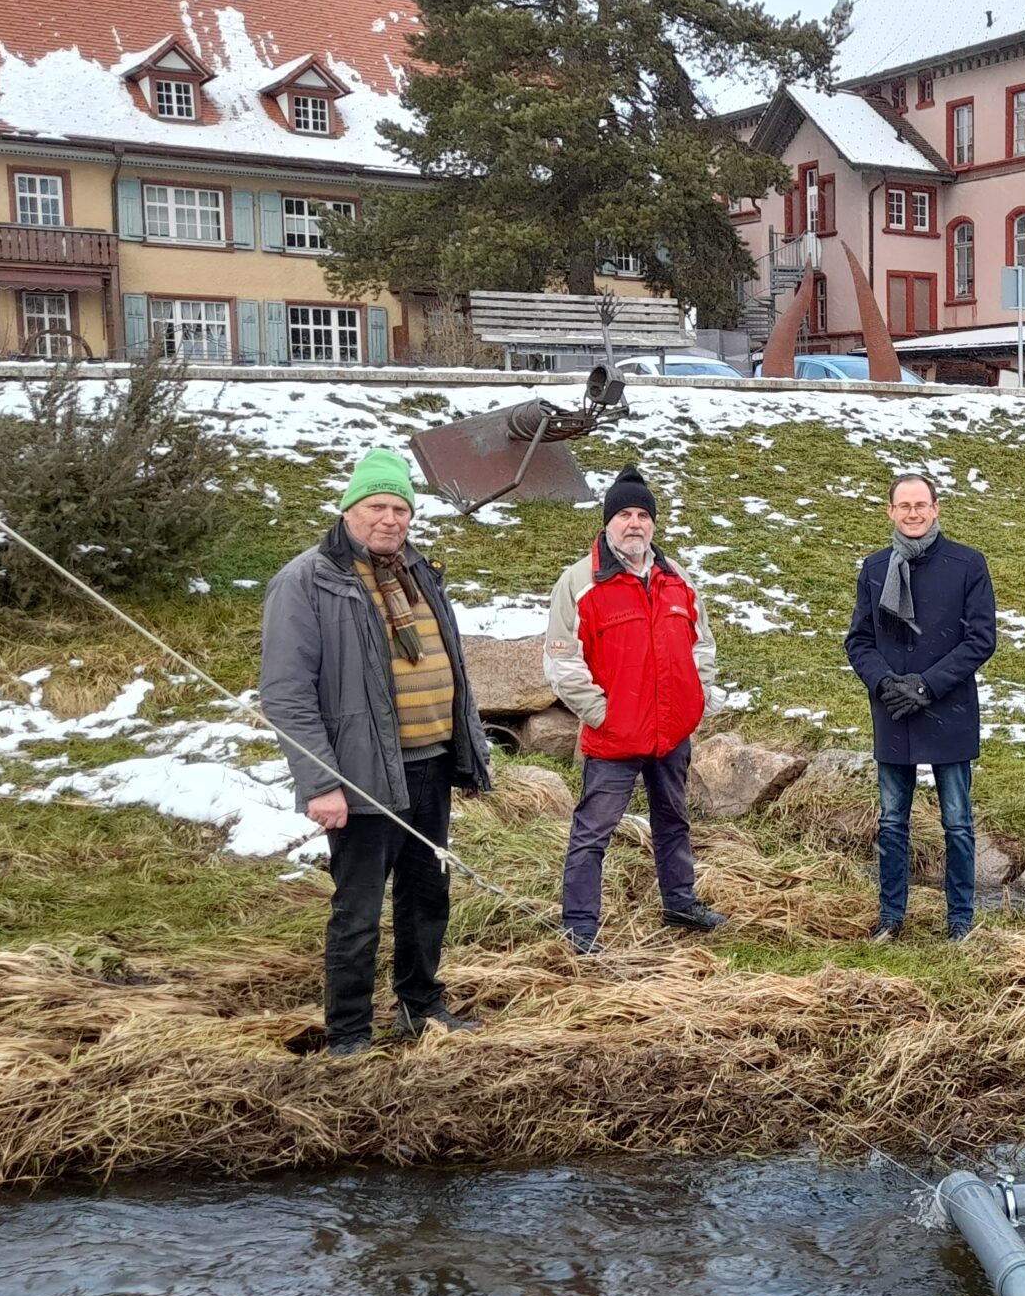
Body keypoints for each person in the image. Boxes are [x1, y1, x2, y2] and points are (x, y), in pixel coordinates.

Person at [261, 448, 494, 1058]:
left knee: (427, 897)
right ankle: (350, 1034)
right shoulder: (307, 581)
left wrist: (468, 753)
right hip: (361, 780)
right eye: (376, 506)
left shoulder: (419, 573)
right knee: (358, 910)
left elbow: (454, 671)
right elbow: (286, 696)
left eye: (400, 508)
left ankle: (420, 1008)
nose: (389, 519)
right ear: (348, 511)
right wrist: (320, 783)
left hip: (431, 767)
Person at [544, 466, 728, 951]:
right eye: (624, 514)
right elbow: (563, 662)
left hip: (671, 731)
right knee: (593, 832)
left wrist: (698, 697)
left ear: (653, 524)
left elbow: (701, 643)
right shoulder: (580, 581)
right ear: (608, 523)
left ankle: (680, 901)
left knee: (673, 819)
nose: (634, 523)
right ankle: (580, 926)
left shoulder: (676, 579)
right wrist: (603, 714)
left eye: (642, 515)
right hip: (615, 737)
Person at [844, 472, 998, 942]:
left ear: (936, 508)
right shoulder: (874, 568)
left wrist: (928, 687)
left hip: (947, 708)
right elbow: (859, 640)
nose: (913, 513)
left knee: (956, 821)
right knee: (892, 820)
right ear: (890, 511)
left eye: (921, 504)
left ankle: (960, 920)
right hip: (893, 710)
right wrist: (886, 682)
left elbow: (980, 640)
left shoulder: (968, 564)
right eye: (903, 506)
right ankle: (891, 917)